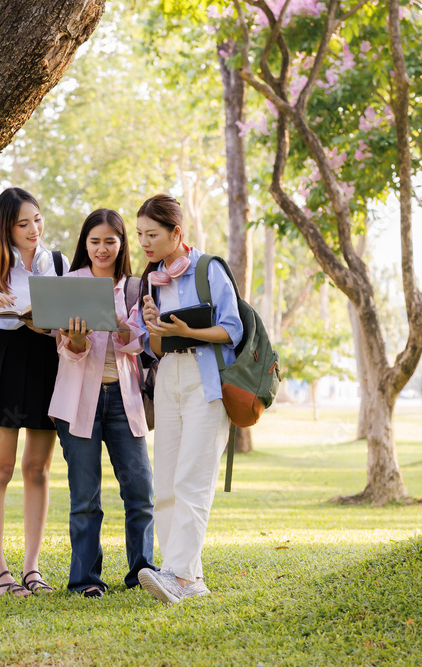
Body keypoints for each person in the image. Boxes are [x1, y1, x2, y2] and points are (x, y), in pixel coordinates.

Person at [134, 193, 243, 605]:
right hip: (169, 377)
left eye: (152, 234)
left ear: (176, 232)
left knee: (192, 480)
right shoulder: (152, 279)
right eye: (140, 234)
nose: (144, 242)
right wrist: (154, 328)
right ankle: (186, 576)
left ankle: (179, 575)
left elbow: (231, 329)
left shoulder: (208, 268)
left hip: (205, 377)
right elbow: (156, 349)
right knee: (165, 484)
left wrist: (187, 331)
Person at [48, 209, 157, 599]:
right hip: (78, 401)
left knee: (140, 491)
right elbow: (66, 349)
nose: (102, 249)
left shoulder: (134, 287)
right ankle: (85, 580)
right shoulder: (70, 284)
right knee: (85, 497)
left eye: (110, 241)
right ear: (85, 244)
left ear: (122, 244)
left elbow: (139, 345)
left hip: (124, 401)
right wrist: (77, 340)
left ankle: (142, 572)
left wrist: (123, 328)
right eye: (94, 241)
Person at [0, 187, 68, 597]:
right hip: (7, 362)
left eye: (37, 220)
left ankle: (31, 568)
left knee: (37, 469)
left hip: (48, 362)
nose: (33, 229)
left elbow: (67, 321)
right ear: (6, 228)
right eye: (23, 223)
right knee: (1, 468)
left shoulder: (58, 264)